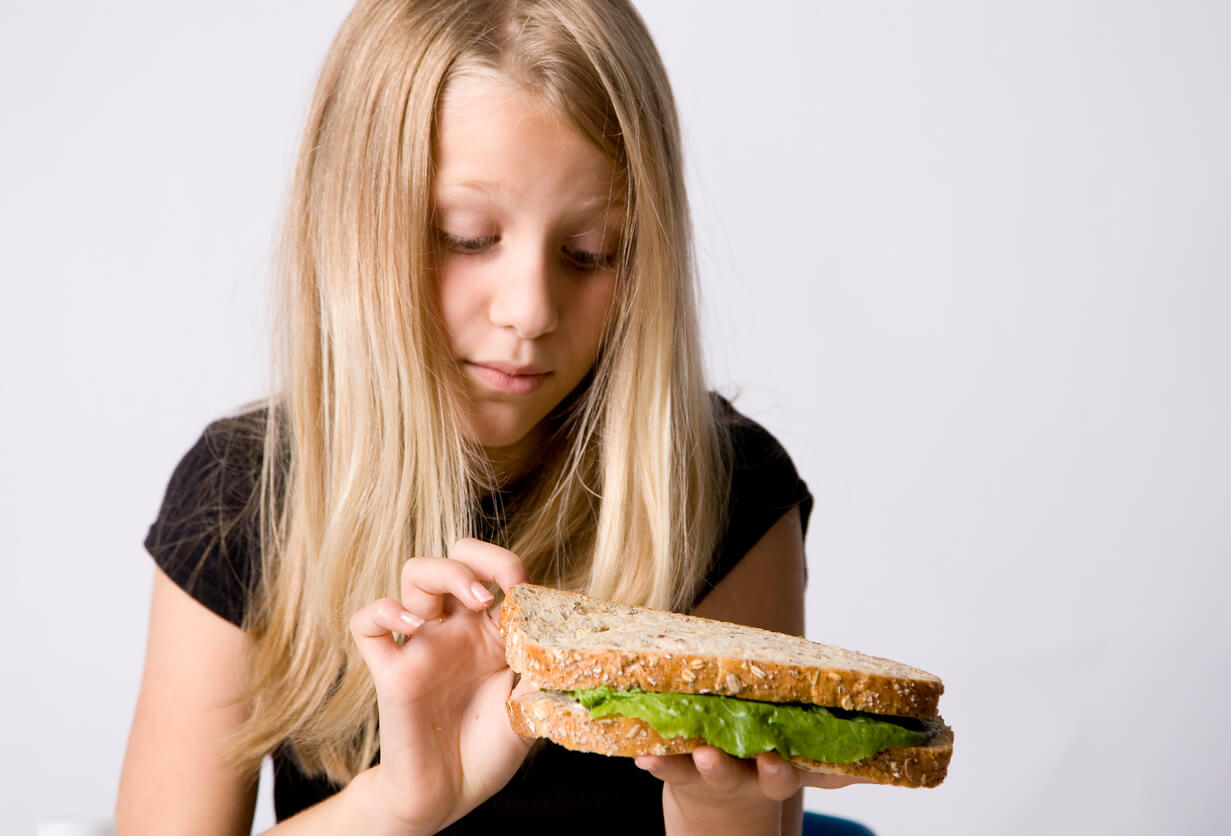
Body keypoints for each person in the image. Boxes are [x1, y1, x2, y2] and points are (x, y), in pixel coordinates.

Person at [116, 0, 858, 833]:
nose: (530, 310)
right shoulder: (241, 494)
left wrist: (715, 800)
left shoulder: (722, 491)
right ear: (355, 227)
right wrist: (395, 806)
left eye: (592, 252)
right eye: (466, 237)